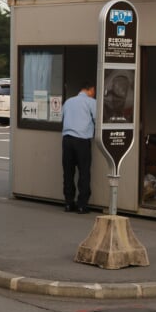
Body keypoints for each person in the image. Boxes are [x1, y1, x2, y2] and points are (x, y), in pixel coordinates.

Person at [61, 81, 96, 213]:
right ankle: (82, 205)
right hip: (82, 140)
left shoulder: (68, 102)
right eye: (94, 90)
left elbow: (62, 118)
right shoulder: (91, 102)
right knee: (84, 172)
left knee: (68, 172)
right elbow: (98, 119)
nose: (94, 93)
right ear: (90, 89)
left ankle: (68, 203)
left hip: (67, 139)